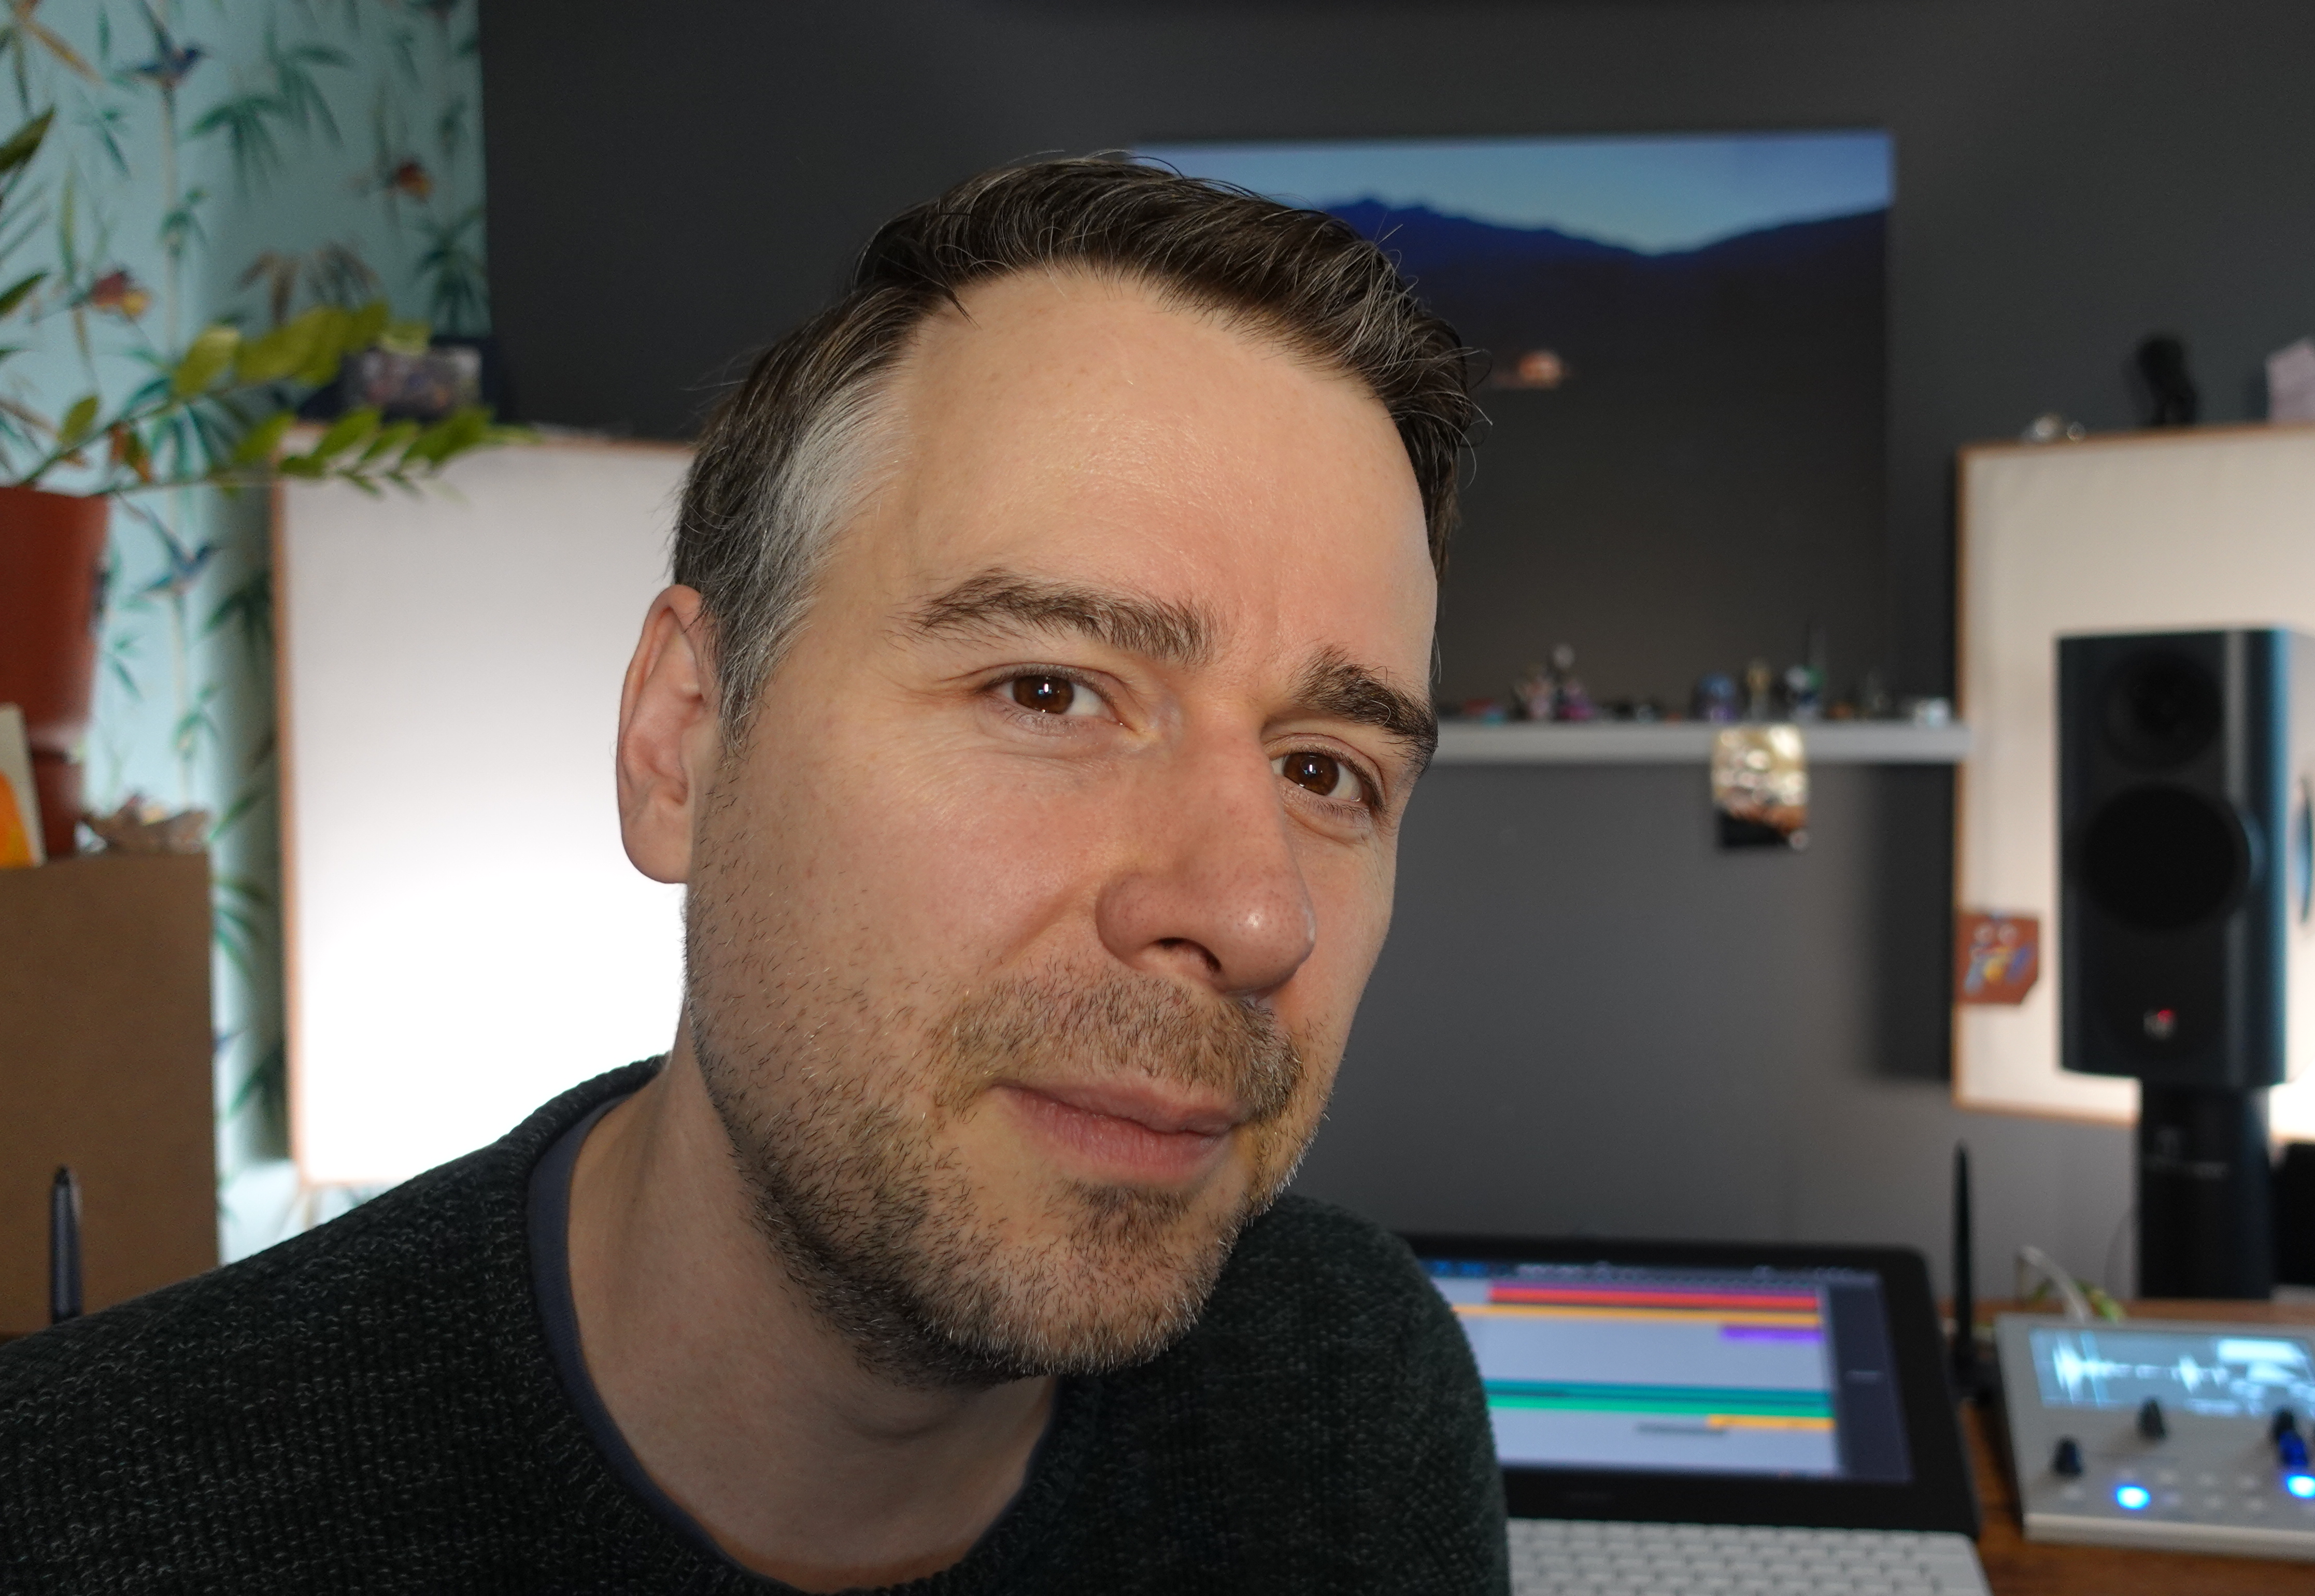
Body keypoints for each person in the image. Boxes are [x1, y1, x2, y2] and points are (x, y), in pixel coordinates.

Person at [0, 158, 1503, 1593]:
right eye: (1048, 691)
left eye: (1327, 772)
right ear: (681, 740)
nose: (1255, 913)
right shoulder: (79, 1515)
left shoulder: (1352, 1390)